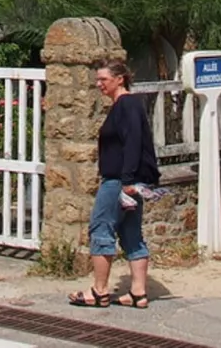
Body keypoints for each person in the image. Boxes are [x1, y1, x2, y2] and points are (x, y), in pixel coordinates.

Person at [68, 58, 160, 310]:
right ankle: (138, 293)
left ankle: (99, 291)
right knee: (131, 234)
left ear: (120, 79)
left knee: (100, 228)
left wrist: (127, 181)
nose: (99, 84)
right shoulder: (126, 105)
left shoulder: (127, 105)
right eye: (97, 80)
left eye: (104, 79)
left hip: (119, 181)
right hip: (127, 180)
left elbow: (133, 143)